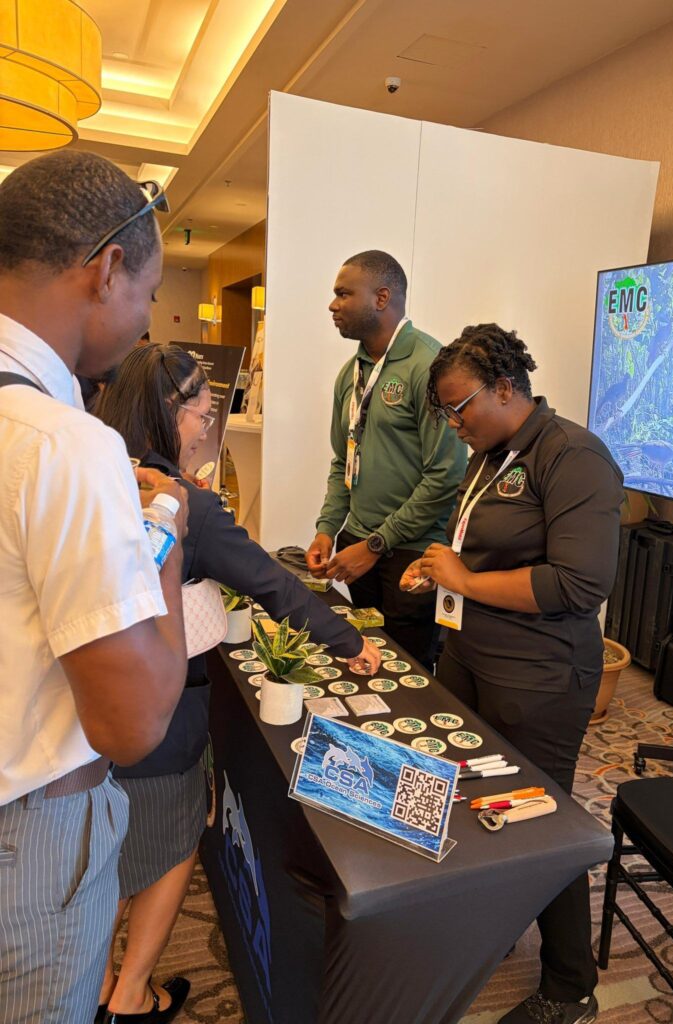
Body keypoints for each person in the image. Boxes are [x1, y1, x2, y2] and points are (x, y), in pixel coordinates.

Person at [94, 343, 381, 1023]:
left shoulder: (94, 477)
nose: (205, 430)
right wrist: (350, 642)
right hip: (163, 712)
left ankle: (97, 984)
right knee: (169, 846)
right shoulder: (184, 504)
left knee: (105, 852)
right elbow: (274, 584)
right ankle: (131, 997)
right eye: (202, 415)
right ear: (173, 413)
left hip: (91, 706)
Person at [0, 152, 189, 1024]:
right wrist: (169, 537)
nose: (145, 320)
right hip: (29, 838)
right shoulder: (65, 444)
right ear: (108, 268)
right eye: (148, 294)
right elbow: (134, 723)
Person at [401, 323, 624, 1024]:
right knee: (476, 798)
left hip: (541, 674)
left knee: (539, 817)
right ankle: (496, 924)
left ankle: (570, 986)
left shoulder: (574, 456)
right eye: (445, 411)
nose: (452, 423)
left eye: (458, 406)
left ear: (505, 388)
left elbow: (577, 585)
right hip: (471, 655)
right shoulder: (490, 456)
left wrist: (464, 581)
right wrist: (439, 570)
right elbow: (482, 550)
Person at [306, 250, 466, 668]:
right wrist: (327, 530)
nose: (333, 305)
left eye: (344, 294)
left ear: (381, 298)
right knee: (363, 660)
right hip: (358, 548)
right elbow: (343, 461)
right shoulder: (351, 372)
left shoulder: (430, 367)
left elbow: (446, 476)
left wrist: (377, 544)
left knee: (408, 671)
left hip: (409, 554)